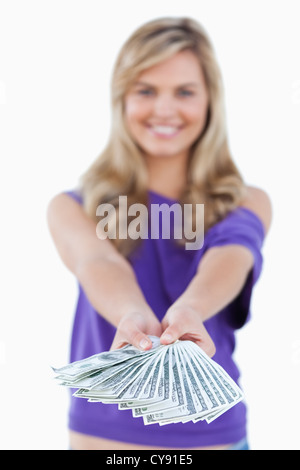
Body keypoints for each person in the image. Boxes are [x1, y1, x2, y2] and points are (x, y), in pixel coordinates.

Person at [47, 17, 272, 450]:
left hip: (211, 439)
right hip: (106, 438)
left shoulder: (244, 201)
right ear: (121, 100)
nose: (165, 109)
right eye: (146, 90)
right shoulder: (73, 207)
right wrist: (133, 314)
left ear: (210, 100)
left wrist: (190, 309)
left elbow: (230, 257)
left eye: (184, 91)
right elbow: (99, 262)